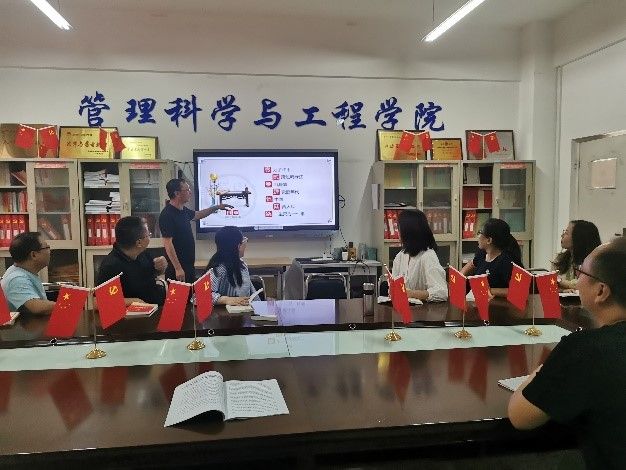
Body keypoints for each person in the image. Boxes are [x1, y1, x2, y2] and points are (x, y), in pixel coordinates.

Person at [508, 237, 626, 469]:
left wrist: (545, 367)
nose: (577, 280)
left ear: (601, 291)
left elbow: (520, 416)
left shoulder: (586, 350)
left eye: (581, 273)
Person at [159, 178, 231, 283]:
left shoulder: (183, 210)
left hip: (188, 266)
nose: (190, 192)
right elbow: (168, 244)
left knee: (190, 293)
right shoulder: (167, 215)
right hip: (177, 270)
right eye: (187, 190)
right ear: (177, 193)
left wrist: (216, 207)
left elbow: (198, 215)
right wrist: (178, 268)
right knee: (179, 294)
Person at [97, 216, 168, 306]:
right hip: (135, 312)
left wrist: (162, 267)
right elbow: (98, 302)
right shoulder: (111, 266)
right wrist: (133, 302)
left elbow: (154, 273)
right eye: (148, 235)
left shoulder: (142, 253)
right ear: (139, 243)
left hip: (156, 305)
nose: (149, 237)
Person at [391, 210, 447, 302]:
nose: (398, 233)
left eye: (400, 229)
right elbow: (394, 284)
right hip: (404, 307)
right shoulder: (401, 255)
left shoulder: (428, 256)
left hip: (424, 309)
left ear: (408, 232)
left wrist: (412, 293)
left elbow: (441, 293)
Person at [460, 218, 521, 297]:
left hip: (497, 303)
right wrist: (460, 276)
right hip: (477, 299)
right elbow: (472, 264)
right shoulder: (482, 252)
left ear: (489, 240)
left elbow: (518, 291)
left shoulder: (506, 262)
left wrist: (490, 290)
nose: (478, 236)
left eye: (480, 233)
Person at [0, 232, 55, 314]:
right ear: (33, 255)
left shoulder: (21, 271)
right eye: (47, 247)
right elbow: (37, 307)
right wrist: (69, 304)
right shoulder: (17, 279)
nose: (50, 251)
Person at [206, 226, 255, 306]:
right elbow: (199, 296)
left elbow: (251, 293)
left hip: (244, 310)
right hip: (224, 312)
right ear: (238, 246)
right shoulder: (218, 269)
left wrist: (261, 305)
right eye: (243, 241)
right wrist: (225, 299)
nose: (245, 244)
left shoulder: (243, 265)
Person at [552, 220, 601, 292]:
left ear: (578, 238)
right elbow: (551, 285)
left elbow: (587, 285)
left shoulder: (595, 263)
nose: (562, 235)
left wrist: (560, 281)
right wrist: (562, 290)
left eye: (566, 233)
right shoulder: (560, 259)